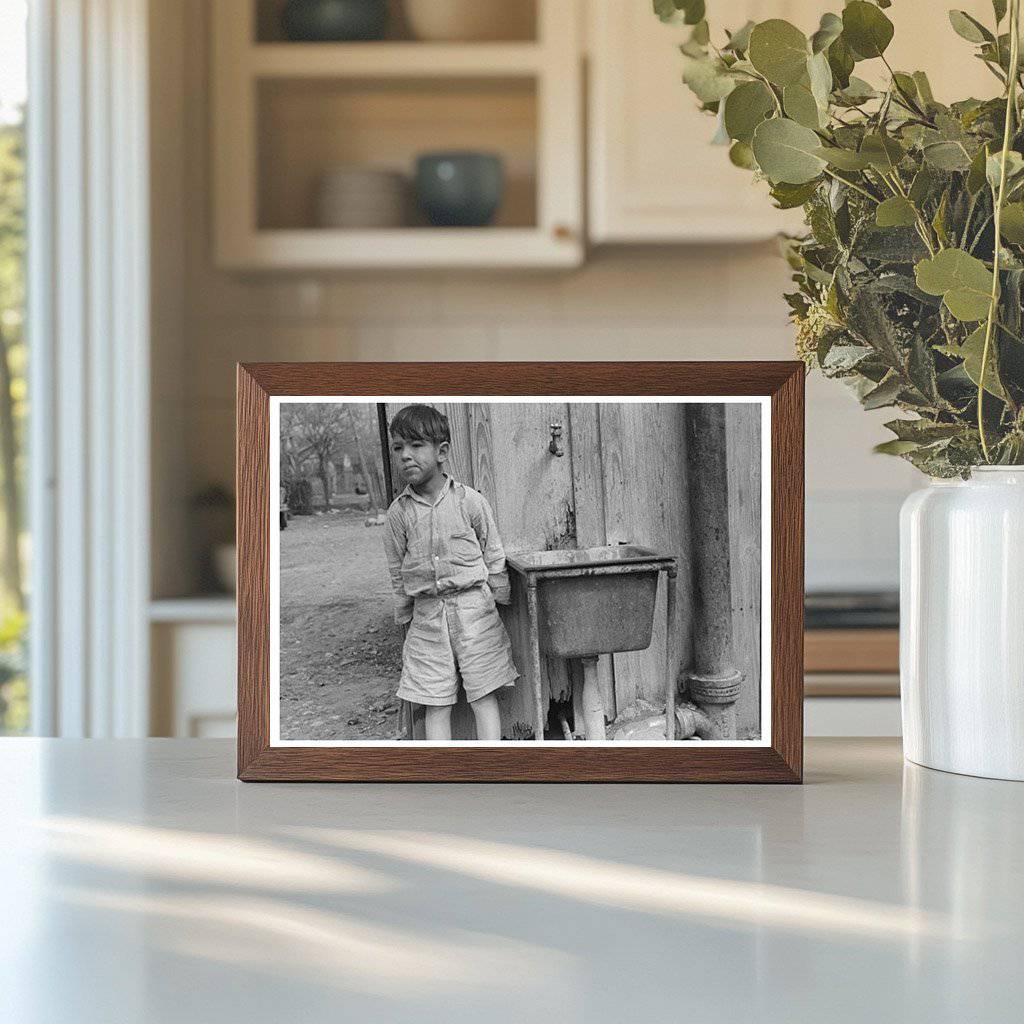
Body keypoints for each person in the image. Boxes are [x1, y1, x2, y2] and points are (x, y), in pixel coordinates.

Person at [382, 404, 519, 740]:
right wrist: (404, 615)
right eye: (398, 447)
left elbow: (493, 551)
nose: (405, 456)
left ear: (441, 451)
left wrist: (497, 596)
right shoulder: (398, 514)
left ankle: (491, 769)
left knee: (483, 693)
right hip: (427, 616)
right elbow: (397, 569)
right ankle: (440, 773)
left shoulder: (469, 501)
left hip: (475, 611)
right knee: (434, 701)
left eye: (416, 446)